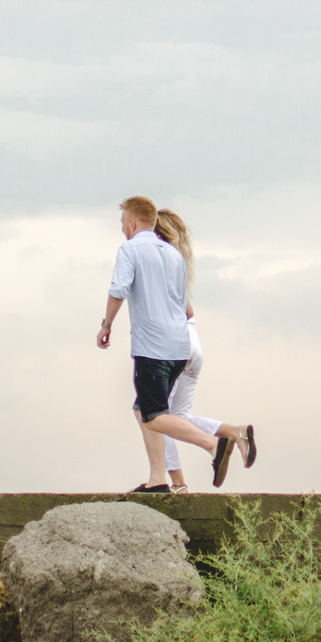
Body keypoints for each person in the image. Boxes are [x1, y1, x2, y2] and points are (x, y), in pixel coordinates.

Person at [96, 195, 254, 491]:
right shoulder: (174, 256)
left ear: (131, 222)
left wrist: (106, 325)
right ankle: (158, 480)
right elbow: (184, 306)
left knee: (153, 416)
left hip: (152, 348)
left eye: (122, 223)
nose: (122, 229)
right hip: (181, 348)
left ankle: (213, 446)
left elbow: (118, 290)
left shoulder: (130, 249)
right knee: (149, 410)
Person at [152, 207, 254, 492]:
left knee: (155, 416)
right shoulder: (178, 260)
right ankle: (235, 432)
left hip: (175, 344)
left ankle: (178, 483)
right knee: (179, 417)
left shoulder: (157, 259)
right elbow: (189, 309)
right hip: (194, 342)